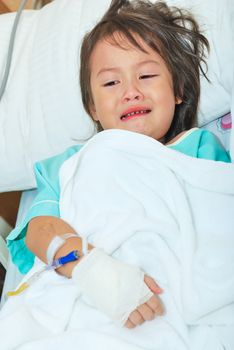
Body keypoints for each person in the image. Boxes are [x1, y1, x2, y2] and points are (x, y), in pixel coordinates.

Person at [6, 0, 230, 330]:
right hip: (94, 304)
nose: (131, 91)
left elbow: (221, 224)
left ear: (178, 90)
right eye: (111, 83)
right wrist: (94, 271)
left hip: (183, 305)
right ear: (92, 107)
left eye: (147, 75)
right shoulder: (73, 163)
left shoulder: (199, 148)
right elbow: (39, 232)